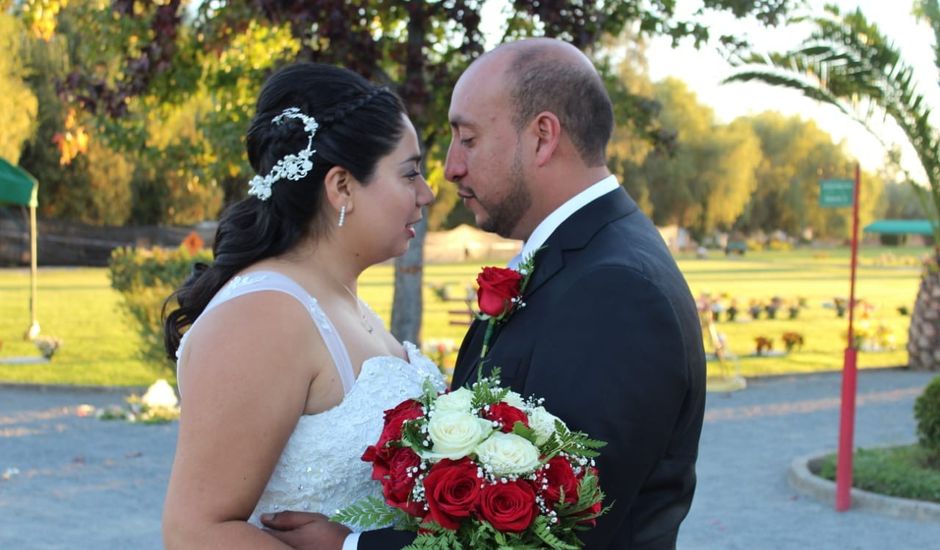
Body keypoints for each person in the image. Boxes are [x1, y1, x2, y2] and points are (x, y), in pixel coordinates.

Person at [262, 37, 706, 549]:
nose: (450, 168)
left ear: (542, 137)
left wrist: (351, 547)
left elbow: (559, 530)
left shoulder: (617, 290)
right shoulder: (585, 259)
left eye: (467, 139)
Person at [161, 62, 443, 548]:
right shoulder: (265, 316)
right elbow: (195, 532)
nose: (427, 192)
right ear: (342, 187)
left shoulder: (340, 299)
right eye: (410, 173)